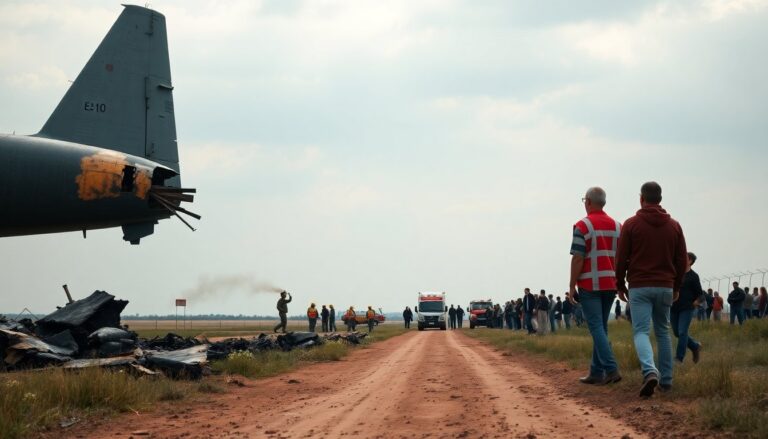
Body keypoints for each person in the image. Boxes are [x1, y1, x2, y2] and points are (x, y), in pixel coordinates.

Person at [616, 181, 687, 397]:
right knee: (663, 331)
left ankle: (649, 371)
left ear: (641, 199)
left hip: (639, 286)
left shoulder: (630, 225)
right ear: (660, 199)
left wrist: (620, 284)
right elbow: (681, 260)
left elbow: (621, 258)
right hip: (665, 286)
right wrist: (676, 286)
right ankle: (666, 381)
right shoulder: (674, 226)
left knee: (641, 331)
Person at [570, 186, 622, 386]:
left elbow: (578, 257)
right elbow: (622, 257)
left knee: (596, 327)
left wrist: (572, 285)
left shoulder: (582, 226)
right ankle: (596, 372)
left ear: (589, 202)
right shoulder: (618, 226)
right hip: (611, 283)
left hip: (590, 284)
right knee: (601, 327)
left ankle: (611, 369)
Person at [670, 252, 703, 364]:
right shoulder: (675, 273)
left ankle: (679, 358)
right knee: (677, 333)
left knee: (682, 332)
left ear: (690, 261)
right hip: (674, 307)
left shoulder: (694, 276)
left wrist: (696, 301)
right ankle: (695, 346)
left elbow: (700, 294)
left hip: (687, 308)